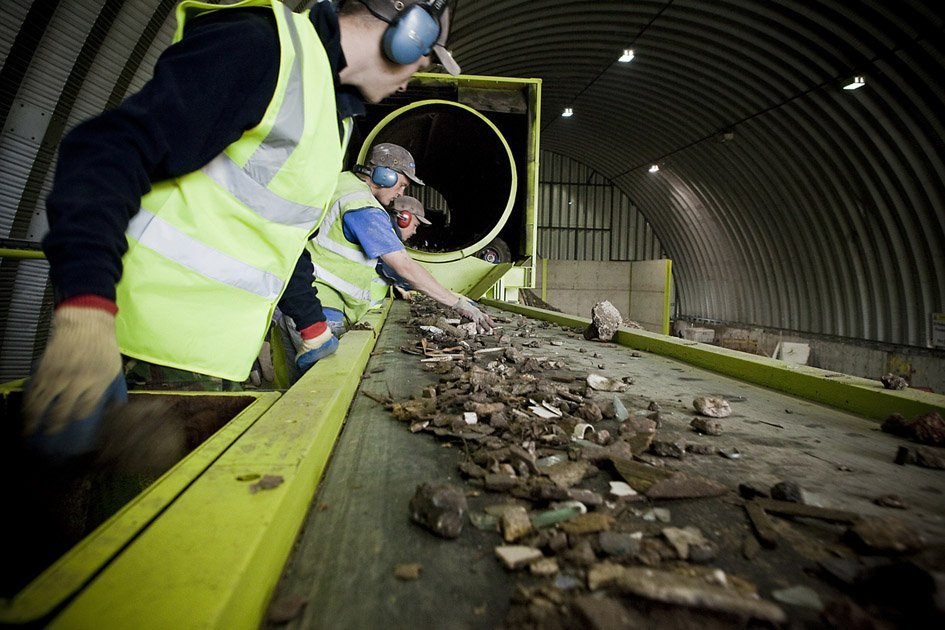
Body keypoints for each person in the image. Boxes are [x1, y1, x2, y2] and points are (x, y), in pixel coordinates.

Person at [23, 0, 462, 459]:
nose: (411, 79)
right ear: (406, 32)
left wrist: (312, 325)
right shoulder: (266, 49)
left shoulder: (335, 118)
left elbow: (283, 238)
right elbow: (106, 154)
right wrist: (86, 312)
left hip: (204, 360)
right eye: (422, 60)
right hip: (133, 350)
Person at [308, 143, 496, 336]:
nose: (400, 193)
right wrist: (457, 303)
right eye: (403, 185)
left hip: (307, 295)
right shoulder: (363, 206)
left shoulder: (343, 183)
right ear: (385, 175)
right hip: (323, 303)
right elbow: (403, 266)